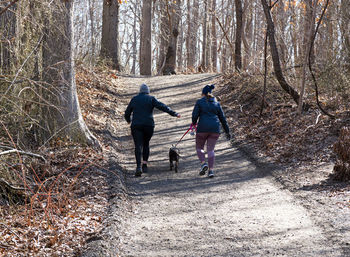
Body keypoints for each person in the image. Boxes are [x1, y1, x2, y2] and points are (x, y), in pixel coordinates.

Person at [125, 83, 181, 177]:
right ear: (148, 91)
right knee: (146, 144)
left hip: (136, 126)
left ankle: (138, 167)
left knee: (138, 146)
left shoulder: (134, 99)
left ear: (140, 91)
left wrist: (128, 120)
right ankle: (145, 165)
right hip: (148, 125)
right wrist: (174, 113)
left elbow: (127, 112)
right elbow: (162, 106)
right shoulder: (151, 98)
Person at [192, 84, 230, 178]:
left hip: (202, 129)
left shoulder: (199, 102)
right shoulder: (216, 103)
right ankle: (211, 171)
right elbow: (223, 118)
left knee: (199, 147)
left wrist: (194, 123)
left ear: (203, 94)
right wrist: (227, 131)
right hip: (215, 129)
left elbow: (194, 116)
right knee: (211, 149)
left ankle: (203, 163)